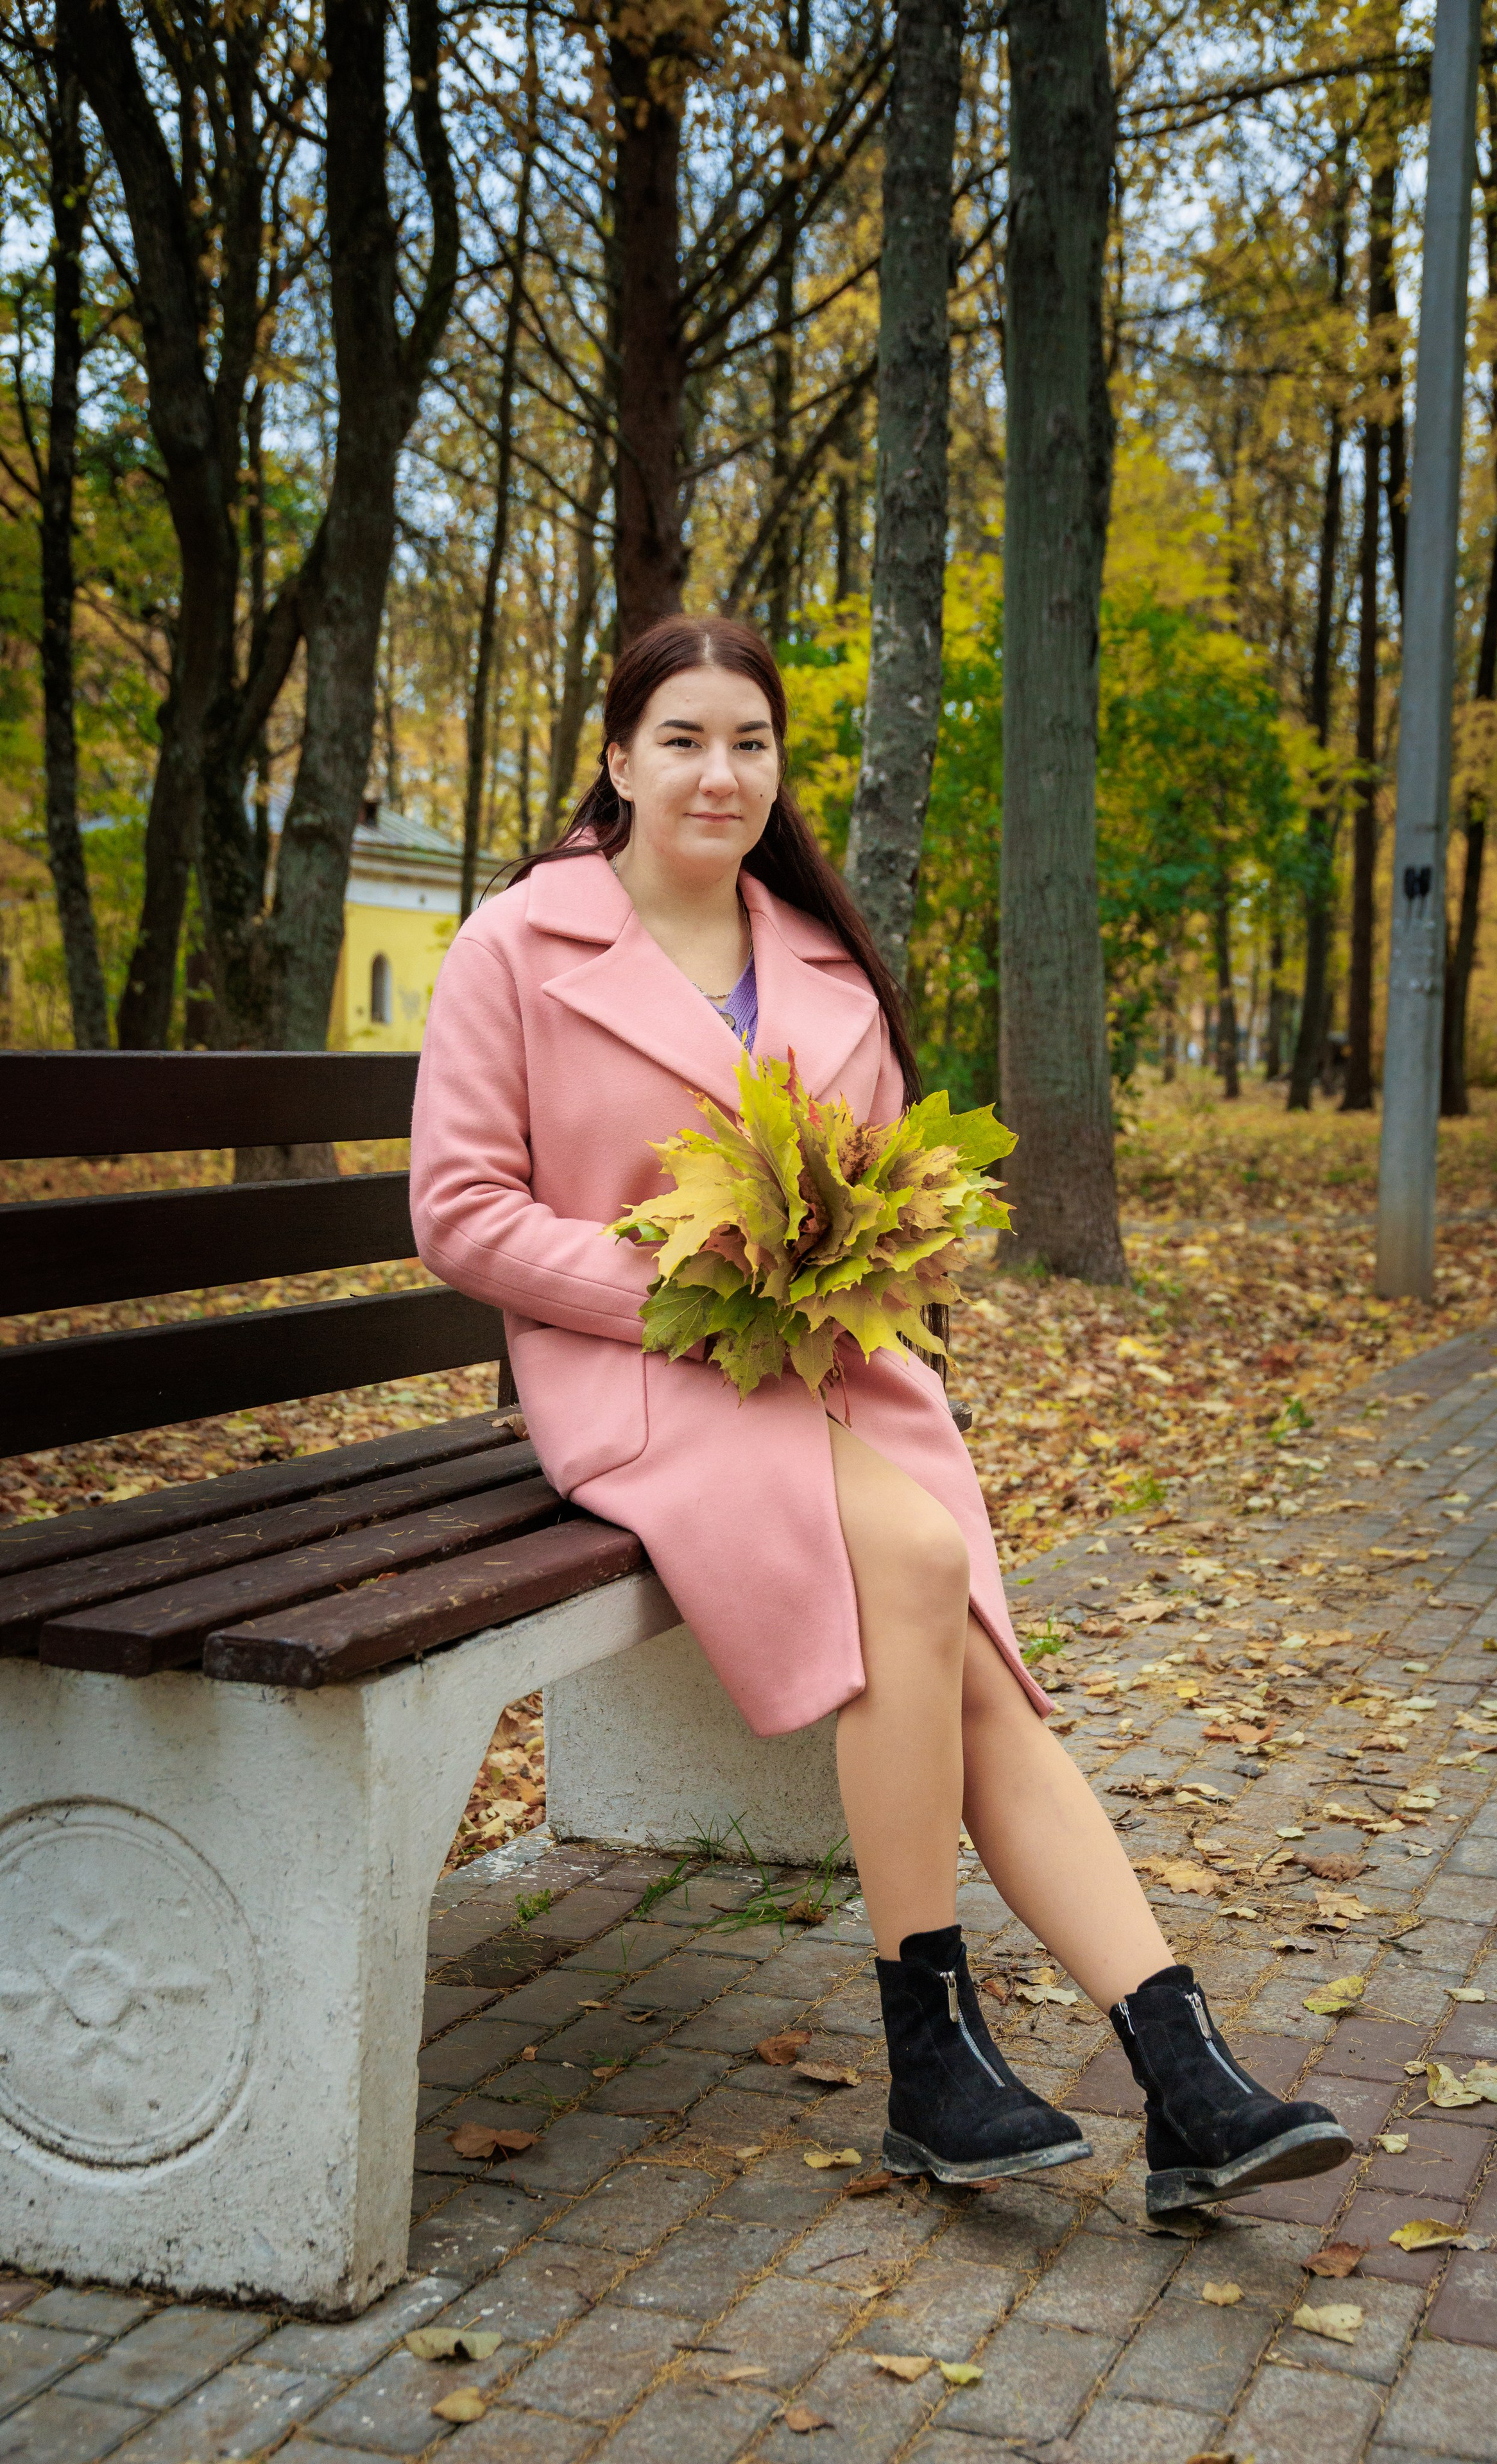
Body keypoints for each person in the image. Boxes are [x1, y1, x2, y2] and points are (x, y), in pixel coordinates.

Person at [409, 612, 1349, 2215]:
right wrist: (685, 1286)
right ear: (619, 759)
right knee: (918, 1563)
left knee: (978, 1675)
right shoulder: (518, 946)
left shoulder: (818, 958)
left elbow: (883, 1185)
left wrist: (896, 1239)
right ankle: (931, 2057)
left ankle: (1182, 2074)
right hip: (642, 1376)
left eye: (750, 742)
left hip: (834, 1380)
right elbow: (458, 1213)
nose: (719, 773)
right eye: (683, 740)